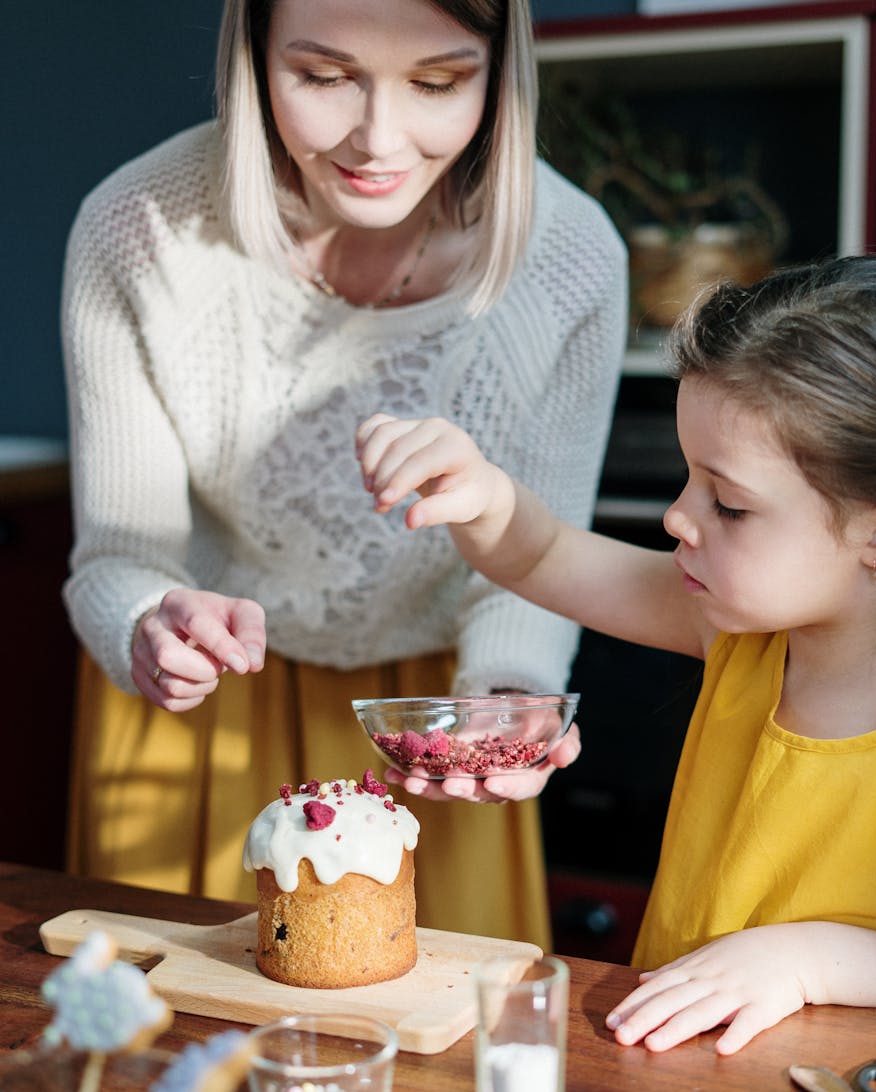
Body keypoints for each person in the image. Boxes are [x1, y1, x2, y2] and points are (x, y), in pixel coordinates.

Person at [60, 0, 628, 948]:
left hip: (435, 722)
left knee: (432, 1074)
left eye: (438, 83)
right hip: (203, 712)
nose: (378, 139)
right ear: (251, 54)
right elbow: (115, 558)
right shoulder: (138, 228)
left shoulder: (570, 258)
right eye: (322, 77)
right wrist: (150, 621)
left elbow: (540, 556)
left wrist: (507, 700)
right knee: (162, 1073)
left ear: (499, 71)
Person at [358, 254, 876, 1052]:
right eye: (688, 479)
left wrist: (808, 960)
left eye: (731, 504)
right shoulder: (739, 635)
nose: (678, 516)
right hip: (679, 1077)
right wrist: (480, 495)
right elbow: (541, 559)